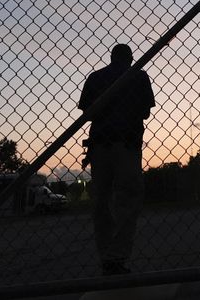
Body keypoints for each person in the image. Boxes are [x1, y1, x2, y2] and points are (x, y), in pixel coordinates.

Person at [79, 44, 155, 276]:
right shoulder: (138, 75)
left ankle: (106, 256)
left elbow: (87, 112)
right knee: (128, 199)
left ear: (111, 57)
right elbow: (145, 112)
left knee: (101, 201)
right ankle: (117, 255)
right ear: (131, 58)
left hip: (100, 144)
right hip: (127, 143)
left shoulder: (95, 76)